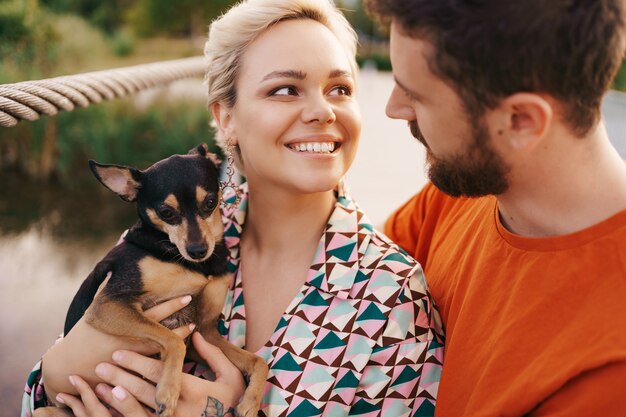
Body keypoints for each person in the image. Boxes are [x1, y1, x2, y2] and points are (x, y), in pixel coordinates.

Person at [22, 1, 444, 416]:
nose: (322, 111)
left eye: (340, 88)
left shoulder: (391, 297)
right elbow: (41, 396)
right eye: (285, 89)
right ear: (226, 119)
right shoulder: (164, 239)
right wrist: (57, 373)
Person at [364, 0, 626, 416]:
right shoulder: (457, 194)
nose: (394, 108)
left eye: (416, 95)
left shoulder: (609, 373)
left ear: (520, 120)